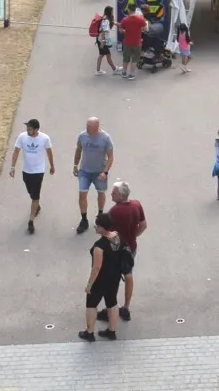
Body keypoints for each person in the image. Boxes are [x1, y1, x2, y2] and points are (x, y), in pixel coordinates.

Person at [101, 181, 146, 324]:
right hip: (131, 247)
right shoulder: (137, 205)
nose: (111, 194)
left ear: (121, 196)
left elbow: (107, 232)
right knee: (128, 274)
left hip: (116, 251)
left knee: (111, 279)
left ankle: (110, 309)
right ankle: (126, 307)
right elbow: (143, 225)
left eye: (114, 193)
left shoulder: (114, 212)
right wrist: (133, 236)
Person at [79, 211, 125, 341]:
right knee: (112, 302)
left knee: (91, 304)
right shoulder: (118, 237)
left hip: (101, 280)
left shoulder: (99, 247)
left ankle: (89, 332)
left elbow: (96, 268)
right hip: (115, 277)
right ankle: (112, 331)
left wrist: (89, 285)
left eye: (97, 225)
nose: (95, 227)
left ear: (102, 228)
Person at [8, 119, 55, 235]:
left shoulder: (44, 138)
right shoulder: (22, 137)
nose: (27, 130)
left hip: (38, 171)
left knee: (35, 195)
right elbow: (16, 151)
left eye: (30, 129)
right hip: (26, 170)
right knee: (30, 192)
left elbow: (49, 152)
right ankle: (36, 206)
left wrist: (52, 166)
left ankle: (31, 221)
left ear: (36, 129)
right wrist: (12, 167)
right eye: (27, 128)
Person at [73, 117, 114, 233]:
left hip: (99, 171)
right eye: (87, 125)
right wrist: (75, 165)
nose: (86, 128)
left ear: (96, 127)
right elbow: (78, 150)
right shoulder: (82, 136)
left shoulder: (105, 138)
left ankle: (100, 216)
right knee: (82, 194)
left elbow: (110, 157)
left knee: (101, 193)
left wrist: (105, 172)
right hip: (84, 171)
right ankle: (84, 220)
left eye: (89, 126)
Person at [117, 7, 148, 80]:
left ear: (129, 10)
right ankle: (131, 74)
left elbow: (121, 31)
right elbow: (145, 29)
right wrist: (138, 30)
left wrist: (125, 31)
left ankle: (124, 72)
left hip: (127, 42)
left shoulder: (125, 20)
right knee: (135, 59)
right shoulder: (141, 19)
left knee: (126, 58)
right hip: (137, 42)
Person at [92, 6, 118, 75]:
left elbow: (112, 23)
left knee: (101, 55)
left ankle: (98, 70)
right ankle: (114, 69)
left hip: (99, 39)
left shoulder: (104, 18)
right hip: (103, 41)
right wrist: (103, 42)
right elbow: (104, 31)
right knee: (108, 55)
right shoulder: (106, 21)